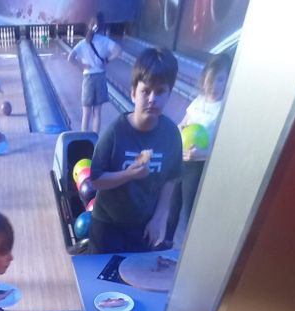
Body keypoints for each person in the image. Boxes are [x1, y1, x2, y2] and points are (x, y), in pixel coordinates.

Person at [88, 48, 182, 254]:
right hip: (107, 225)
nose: (152, 99)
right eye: (145, 91)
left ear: (169, 95)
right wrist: (128, 175)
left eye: (160, 92)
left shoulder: (171, 135)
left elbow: (171, 179)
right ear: (133, 93)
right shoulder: (115, 132)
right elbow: (96, 180)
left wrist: (159, 218)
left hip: (144, 225)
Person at [166, 53, 231, 242]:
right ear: (204, 80)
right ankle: (165, 244)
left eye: (220, 80)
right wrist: (180, 131)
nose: (215, 86)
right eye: (211, 80)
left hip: (198, 167)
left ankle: (189, 250)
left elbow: (226, 148)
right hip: (182, 161)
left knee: (190, 213)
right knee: (172, 208)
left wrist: (203, 154)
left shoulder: (225, 108)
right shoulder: (198, 101)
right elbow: (182, 124)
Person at [67, 12, 121, 133]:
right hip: (100, 78)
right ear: (102, 26)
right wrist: (107, 60)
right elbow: (118, 50)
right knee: (97, 112)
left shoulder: (82, 43)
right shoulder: (105, 41)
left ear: (88, 25)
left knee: (86, 113)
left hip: (88, 79)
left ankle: (84, 138)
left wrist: (82, 65)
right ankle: (95, 139)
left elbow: (70, 58)